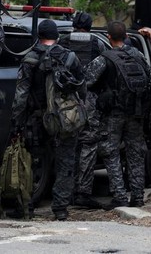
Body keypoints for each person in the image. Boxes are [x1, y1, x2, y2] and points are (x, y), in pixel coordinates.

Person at [11, 19, 86, 220]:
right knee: (66, 162)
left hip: (37, 118)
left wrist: (16, 122)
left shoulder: (30, 58)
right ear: (57, 36)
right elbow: (82, 86)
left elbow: (21, 95)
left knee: (32, 162)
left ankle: (26, 206)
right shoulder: (70, 57)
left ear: (39, 36)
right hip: (64, 118)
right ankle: (60, 208)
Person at [84, 20, 150, 209]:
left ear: (108, 37)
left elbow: (87, 80)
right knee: (135, 154)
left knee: (110, 152)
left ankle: (120, 195)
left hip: (113, 115)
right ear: (127, 37)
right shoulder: (137, 55)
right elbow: (148, 76)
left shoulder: (104, 58)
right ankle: (137, 196)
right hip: (136, 112)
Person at [64, 12, 108, 210]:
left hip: (65, 102)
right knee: (88, 146)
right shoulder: (98, 44)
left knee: (67, 144)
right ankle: (83, 192)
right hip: (89, 101)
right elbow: (104, 70)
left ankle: (66, 191)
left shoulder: (62, 41)